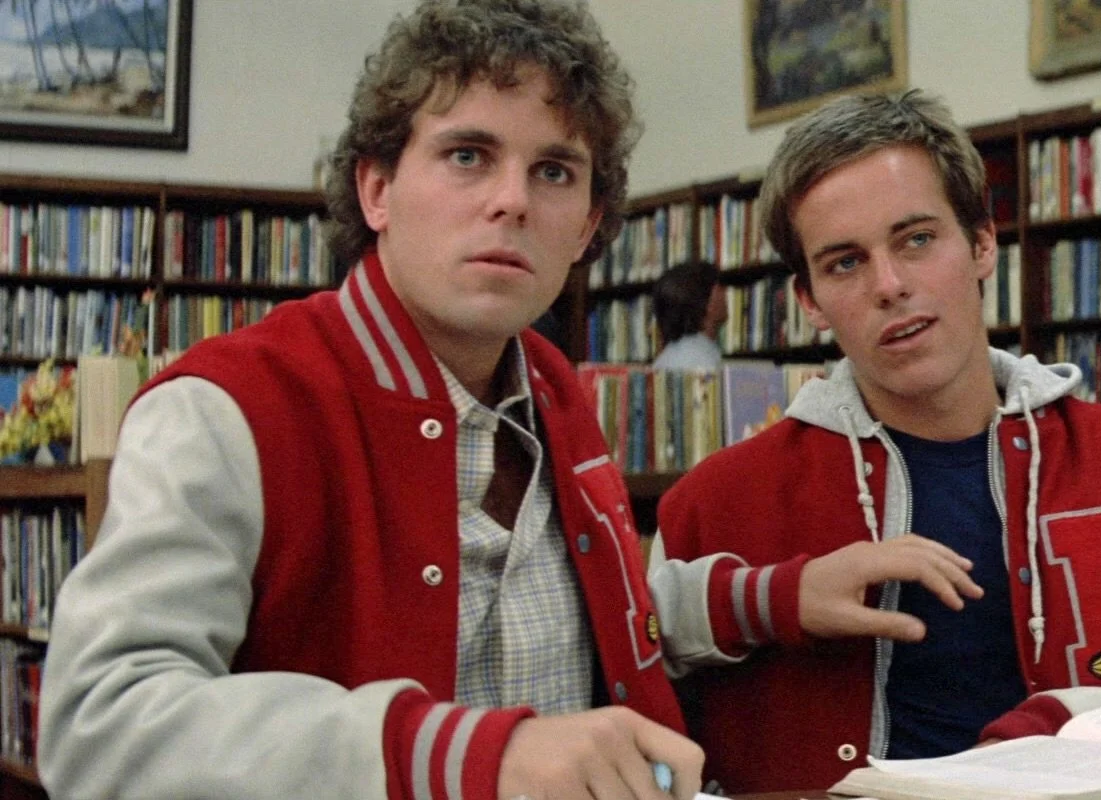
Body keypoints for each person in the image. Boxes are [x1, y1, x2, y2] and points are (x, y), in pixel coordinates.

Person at [37, 3, 977, 799]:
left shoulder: (553, 388)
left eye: (554, 171)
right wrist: (469, 755)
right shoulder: (226, 409)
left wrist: (775, 595)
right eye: (467, 156)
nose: (512, 201)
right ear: (376, 188)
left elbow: (589, 606)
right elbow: (96, 726)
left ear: (589, 227)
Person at [654, 89, 1101, 794]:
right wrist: (773, 599)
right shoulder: (713, 503)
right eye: (845, 263)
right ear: (809, 301)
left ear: (983, 244)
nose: (889, 285)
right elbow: (621, 665)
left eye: (916, 240)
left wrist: (1063, 725)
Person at [649, 261, 726, 370]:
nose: (725, 294)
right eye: (720, 289)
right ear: (709, 302)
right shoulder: (704, 362)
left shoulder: (664, 358)